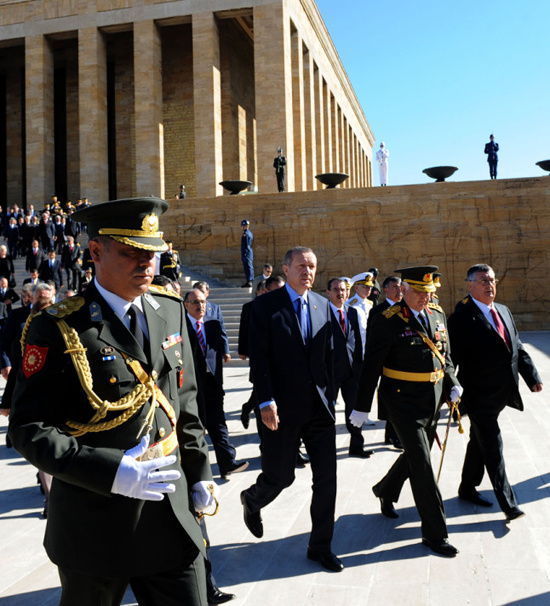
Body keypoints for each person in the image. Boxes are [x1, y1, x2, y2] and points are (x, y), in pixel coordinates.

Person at [9, 197, 215, 606]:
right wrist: (110, 472)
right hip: (96, 524)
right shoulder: (59, 327)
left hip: (171, 517)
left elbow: (183, 403)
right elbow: (28, 429)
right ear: (96, 251)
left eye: (151, 253)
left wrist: (200, 471)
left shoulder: (168, 309)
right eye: (131, 252)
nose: (146, 264)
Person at [240, 246, 344, 572]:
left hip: (319, 411)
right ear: (286, 269)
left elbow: (335, 355)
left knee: (327, 480)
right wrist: (265, 400)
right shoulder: (264, 307)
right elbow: (260, 359)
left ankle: (320, 547)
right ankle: (252, 500)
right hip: (281, 411)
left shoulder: (323, 305)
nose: (308, 271)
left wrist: (336, 396)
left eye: (312, 266)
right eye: (301, 265)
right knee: (280, 477)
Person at [351, 266, 463, 557]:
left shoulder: (437, 314)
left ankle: (386, 490)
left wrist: (452, 383)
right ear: (405, 291)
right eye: (420, 293)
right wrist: (361, 408)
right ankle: (435, 534)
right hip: (401, 402)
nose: (426, 298)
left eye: (429, 293)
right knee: (423, 467)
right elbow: (371, 365)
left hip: (432, 401)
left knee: (416, 454)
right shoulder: (386, 319)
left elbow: (445, 356)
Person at [448, 264, 543, 520]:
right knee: (493, 445)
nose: (489, 285)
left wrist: (531, 376)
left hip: (501, 392)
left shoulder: (503, 310)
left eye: (491, 279)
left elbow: (517, 346)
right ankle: (508, 503)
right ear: (470, 286)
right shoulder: (462, 318)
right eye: (482, 281)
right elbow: (450, 359)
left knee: (478, 442)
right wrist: (449, 391)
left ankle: (467, 488)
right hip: (478, 395)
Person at [184, 287, 248, 480]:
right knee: (195, 427)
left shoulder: (212, 325)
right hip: (190, 385)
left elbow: (219, 346)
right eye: (195, 302)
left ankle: (227, 462)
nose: (200, 306)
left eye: (203, 302)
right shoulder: (180, 327)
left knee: (218, 422)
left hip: (212, 382)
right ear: (186, 305)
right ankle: (195, 472)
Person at [326, 278, 371, 458]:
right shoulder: (322, 313)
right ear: (328, 292)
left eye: (343, 290)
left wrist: (360, 366)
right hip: (331, 372)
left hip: (352, 371)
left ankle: (356, 445)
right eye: (336, 289)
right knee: (328, 413)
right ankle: (326, 448)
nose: (340, 293)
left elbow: (357, 341)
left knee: (354, 410)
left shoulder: (352, 312)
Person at [366, 275, 403, 449]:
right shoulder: (378, 310)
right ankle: (393, 433)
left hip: (399, 362)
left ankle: (392, 434)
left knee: (397, 399)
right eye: (394, 287)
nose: (399, 290)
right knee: (389, 398)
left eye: (400, 287)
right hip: (383, 361)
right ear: (386, 289)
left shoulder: (406, 308)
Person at [348, 271, 375, 355]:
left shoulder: (370, 304)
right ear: (356, 287)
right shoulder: (349, 305)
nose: (368, 289)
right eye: (365, 287)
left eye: (370, 287)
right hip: (356, 347)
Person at [240, 219, 254, 288]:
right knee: (248, 266)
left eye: (244, 226)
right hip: (248, 252)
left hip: (247, 252)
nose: (243, 227)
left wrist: (244, 254)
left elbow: (246, 245)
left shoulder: (246, 234)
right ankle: (249, 280)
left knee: (248, 266)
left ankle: (250, 281)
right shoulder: (249, 233)